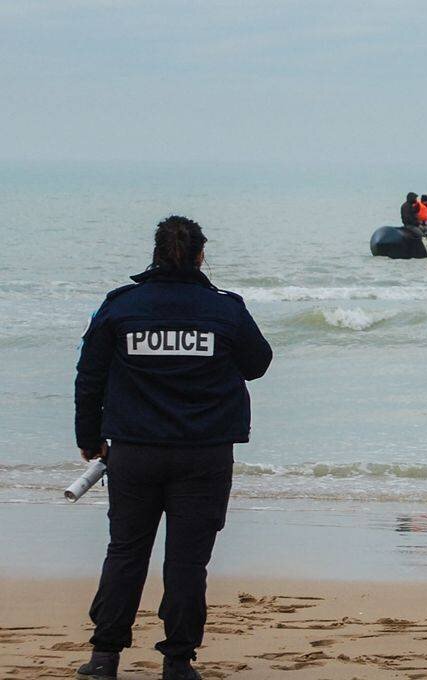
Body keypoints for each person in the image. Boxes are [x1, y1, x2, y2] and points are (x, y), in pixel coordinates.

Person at [73, 216, 273, 680]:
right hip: (203, 454)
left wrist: (89, 439)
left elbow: (90, 376)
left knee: (125, 552)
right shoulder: (225, 309)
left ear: (156, 253)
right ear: (201, 255)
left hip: (134, 453)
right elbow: (258, 363)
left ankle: (104, 657)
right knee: (187, 562)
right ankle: (178, 662)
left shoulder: (121, 306)